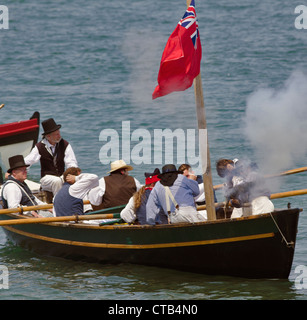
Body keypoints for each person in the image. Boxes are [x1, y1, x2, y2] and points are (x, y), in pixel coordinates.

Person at [25, 118, 78, 198]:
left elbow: (71, 163)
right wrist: (13, 171)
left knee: (81, 179)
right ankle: (59, 205)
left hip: (61, 177)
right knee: (57, 181)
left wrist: (73, 175)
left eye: (59, 133)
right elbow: (28, 161)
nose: (59, 136)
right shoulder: (39, 147)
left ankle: (86, 208)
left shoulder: (65, 144)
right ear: (48, 136)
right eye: (56, 134)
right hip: (46, 179)